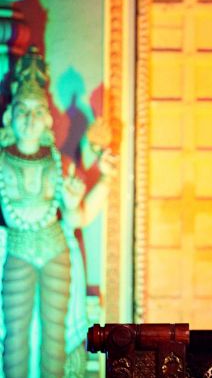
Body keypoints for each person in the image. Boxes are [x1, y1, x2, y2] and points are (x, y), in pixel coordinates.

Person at [0, 47, 113, 377]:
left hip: (55, 251)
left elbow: (78, 218)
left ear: (48, 118)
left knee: (55, 339)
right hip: (16, 251)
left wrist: (103, 180)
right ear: (9, 116)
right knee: (15, 337)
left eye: (38, 111)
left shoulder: (58, 162)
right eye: (23, 110)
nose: (30, 119)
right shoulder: (2, 161)